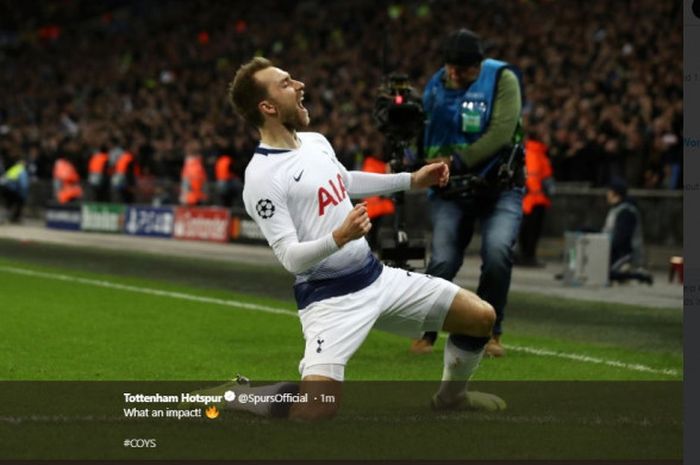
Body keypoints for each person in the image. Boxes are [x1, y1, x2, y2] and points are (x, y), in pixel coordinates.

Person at [190, 57, 506, 421]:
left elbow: (344, 179)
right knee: (315, 411)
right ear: (268, 107)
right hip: (329, 299)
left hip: (376, 277)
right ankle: (235, 395)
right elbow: (290, 258)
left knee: (481, 317)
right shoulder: (262, 177)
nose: (299, 85)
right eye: (286, 83)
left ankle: (452, 398)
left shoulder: (314, 141)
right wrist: (339, 237)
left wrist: (410, 181)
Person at [412, 28, 525, 357]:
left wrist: (455, 161)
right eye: (461, 69)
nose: (466, 75)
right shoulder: (435, 86)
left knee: (497, 253)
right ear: (450, 68)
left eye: (473, 68)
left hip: (499, 186)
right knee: (443, 261)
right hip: (452, 190)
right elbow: (423, 133)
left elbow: (502, 132)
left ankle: (491, 332)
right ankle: (428, 332)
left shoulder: (502, 79)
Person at [603, 177, 653, 284]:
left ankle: (637, 275)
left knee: (603, 273)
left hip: (626, 254)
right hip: (613, 250)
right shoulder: (616, 209)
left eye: (609, 191)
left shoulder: (627, 212)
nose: (607, 194)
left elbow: (621, 240)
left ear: (615, 193)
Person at [517, 135, 554, 267]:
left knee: (524, 231)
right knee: (532, 232)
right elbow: (545, 178)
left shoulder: (526, 152)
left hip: (527, 199)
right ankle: (528, 257)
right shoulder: (539, 154)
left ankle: (523, 256)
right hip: (537, 200)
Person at [0, 153, 30, 223]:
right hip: (13, 190)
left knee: (8, 204)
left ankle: (4, 217)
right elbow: (23, 185)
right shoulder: (22, 170)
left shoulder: (14, 168)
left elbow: (4, 178)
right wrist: (24, 195)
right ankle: (16, 218)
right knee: (20, 202)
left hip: (5, 189)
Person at [179, 141, 208, 206]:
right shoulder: (198, 164)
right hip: (197, 198)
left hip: (192, 199)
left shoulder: (192, 164)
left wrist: (184, 197)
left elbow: (186, 183)